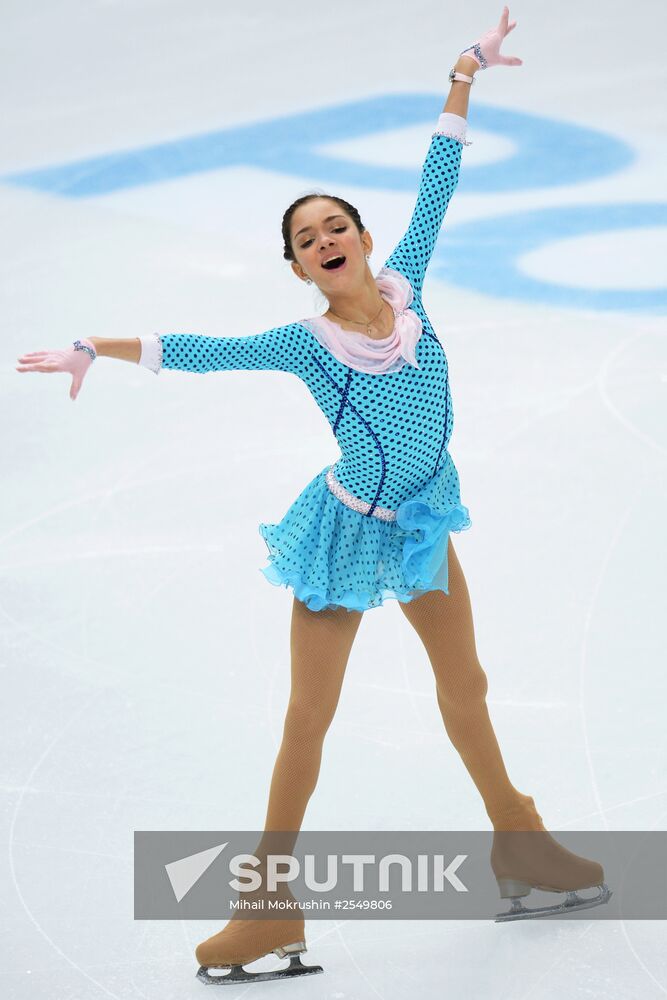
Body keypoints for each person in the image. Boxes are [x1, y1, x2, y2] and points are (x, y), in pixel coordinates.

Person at [16, 6, 610, 987]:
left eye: (336, 224)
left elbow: (439, 182)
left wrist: (463, 72)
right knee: (308, 718)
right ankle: (263, 907)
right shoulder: (309, 343)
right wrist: (97, 346)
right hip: (345, 533)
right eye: (306, 238)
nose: (325, 238)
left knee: (466, 688)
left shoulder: (409, 287)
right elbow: (208, 352)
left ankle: (521, 844)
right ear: (297, 268)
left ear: (365, 239)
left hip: (423, 519)